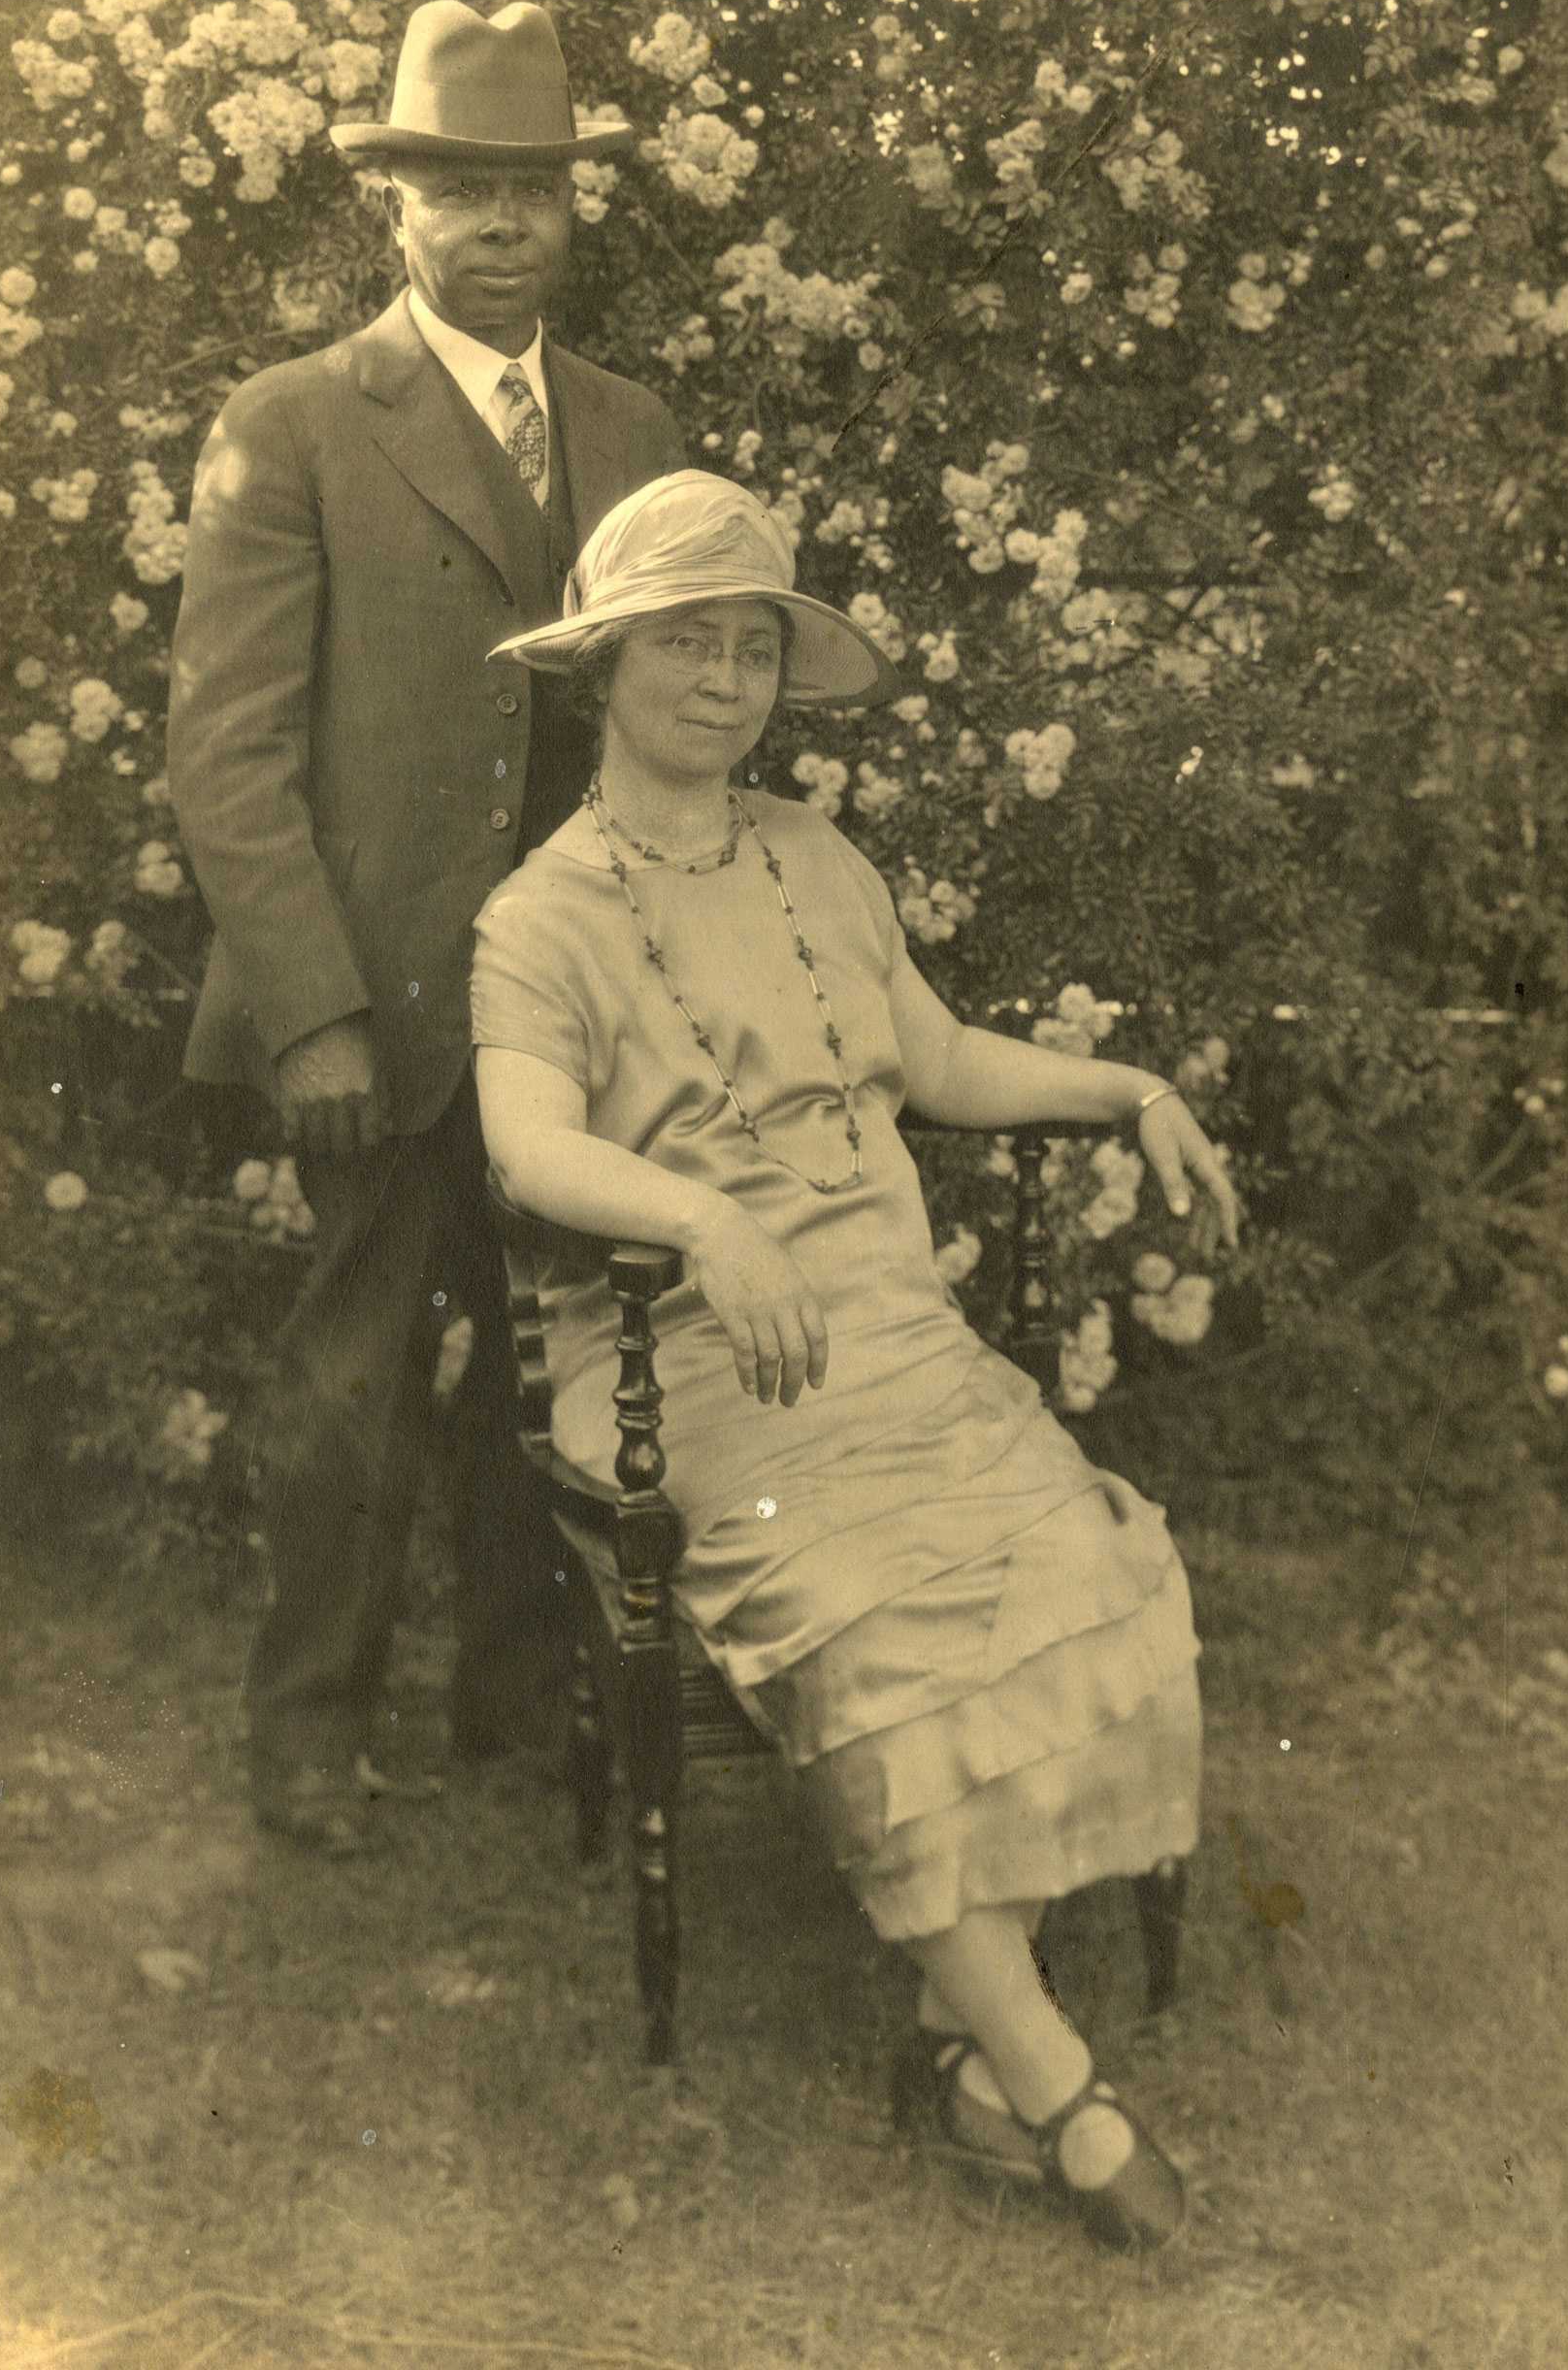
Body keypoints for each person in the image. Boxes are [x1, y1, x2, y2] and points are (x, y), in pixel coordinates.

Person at [470, 471, 1241, 2261]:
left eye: (753, 650)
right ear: (611, 666)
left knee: (1082, 1565)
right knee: (890, 1629)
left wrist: (1129, 1088)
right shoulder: (544, 915)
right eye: (687, 645)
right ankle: (1057, 2090)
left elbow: (944, 1061)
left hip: (885, 1339)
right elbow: (523, 1146)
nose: (723, 683)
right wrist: (711, 1226)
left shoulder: (818, 859)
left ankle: (956, 2057)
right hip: (683, 1366)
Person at [168, 1, 685, 1854]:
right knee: (352, 1377)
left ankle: (514, 1708)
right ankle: (307, 1733)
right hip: (374, 1000)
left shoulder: (630, 428)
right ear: (395, 210)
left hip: (568, 1003)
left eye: (531, 190)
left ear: (571, 212)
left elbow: (669, 715)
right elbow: (227, 756)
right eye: (460, 189)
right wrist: (310, 1011)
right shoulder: (295, 423)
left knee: (557, 1357)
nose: (500, 225)